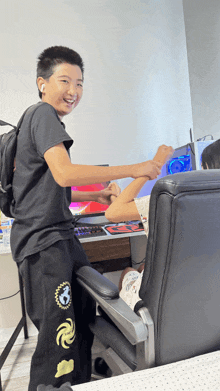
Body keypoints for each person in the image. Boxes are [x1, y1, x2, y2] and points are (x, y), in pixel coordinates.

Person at [11, 45, 164, 390]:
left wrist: (94, 194)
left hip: (60, 237)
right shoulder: (43, 115)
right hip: (44, 242)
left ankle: (80, 382)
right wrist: (138, 167)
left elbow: (49, 186)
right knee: (58, 336)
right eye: (65, 80)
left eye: (80, 83)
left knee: (82, 315)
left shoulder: (41, 123)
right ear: (42, 83)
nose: (74, 91)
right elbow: (64, 174)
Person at [106, 140, 220, 310]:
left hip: (171, 303)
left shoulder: (174, 201)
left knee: (128, 271)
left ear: (205, 168)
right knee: (145, 266)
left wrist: (155, 164)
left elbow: (113, 213)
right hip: (209, 296)